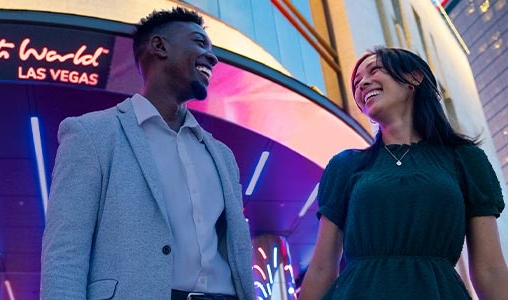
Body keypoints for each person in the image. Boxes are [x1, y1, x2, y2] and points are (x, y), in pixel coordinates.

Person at [40, 7, 254, 300]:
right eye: (199, 43)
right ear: (159, 46)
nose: (213, 57)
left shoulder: (222, 156)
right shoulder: (92, 135)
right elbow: (65, 253)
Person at [300, 47, 508, 299]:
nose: (362, 83)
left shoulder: (464, 159)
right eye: (356, 82)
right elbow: (322, 268)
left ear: (414, 78)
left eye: (374, 70)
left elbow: (491, 270)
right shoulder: (345, 165)